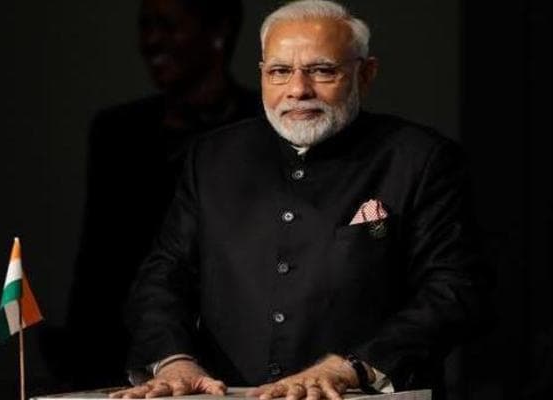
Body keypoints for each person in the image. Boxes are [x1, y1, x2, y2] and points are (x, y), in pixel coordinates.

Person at [111, 1, 485, 399]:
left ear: (365, 74)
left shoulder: (419, 159)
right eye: (279, 71)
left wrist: (352, 366)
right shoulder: (212, 158)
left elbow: (456, 290)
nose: (298, 90)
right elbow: (163, 277)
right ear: (262, 74)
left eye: (322, 71)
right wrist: (173, 361)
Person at [40, 0, 261, 390]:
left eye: (169, 25)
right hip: (125, 349)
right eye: (145, 25)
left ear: (219, 31)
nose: (151, 39)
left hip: (237, 351)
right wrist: (78, 360)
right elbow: (98, 258)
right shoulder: (118, 131)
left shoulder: (261, 123)